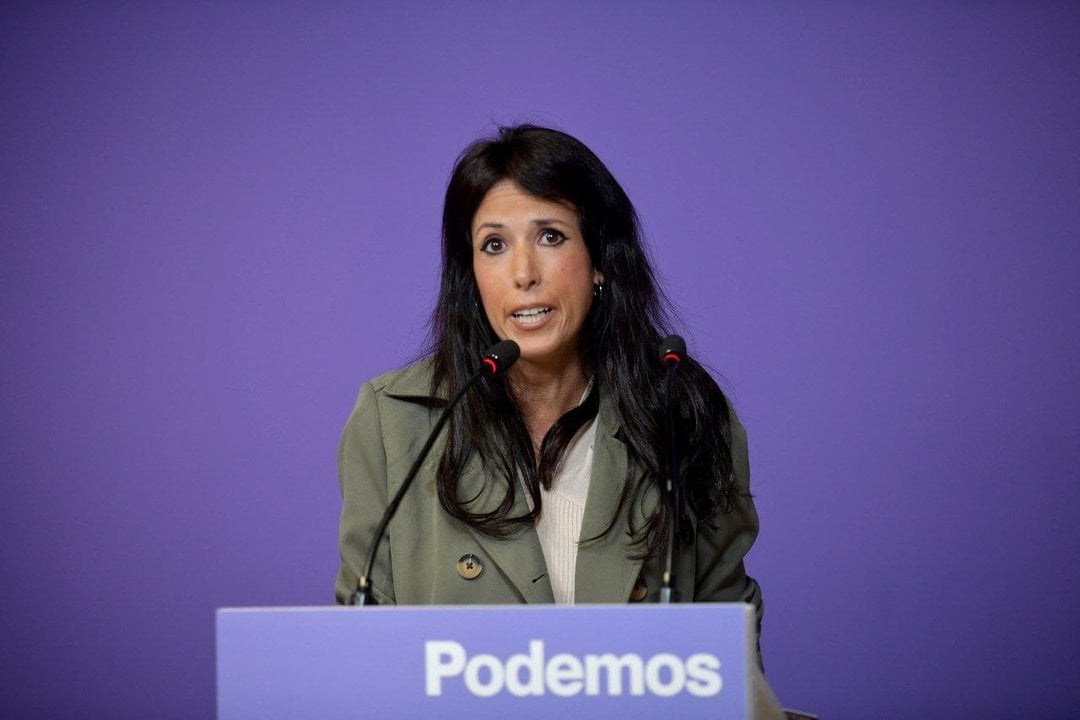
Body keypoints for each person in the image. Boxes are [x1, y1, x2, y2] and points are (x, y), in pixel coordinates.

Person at [334, 125, 763, 632]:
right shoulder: (393, 421)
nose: (523, 273)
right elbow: (359, 643)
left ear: (600, 260)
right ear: (469, 272)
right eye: (493, 245)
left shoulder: (681, 412)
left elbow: (728, 645)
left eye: (550, 237)